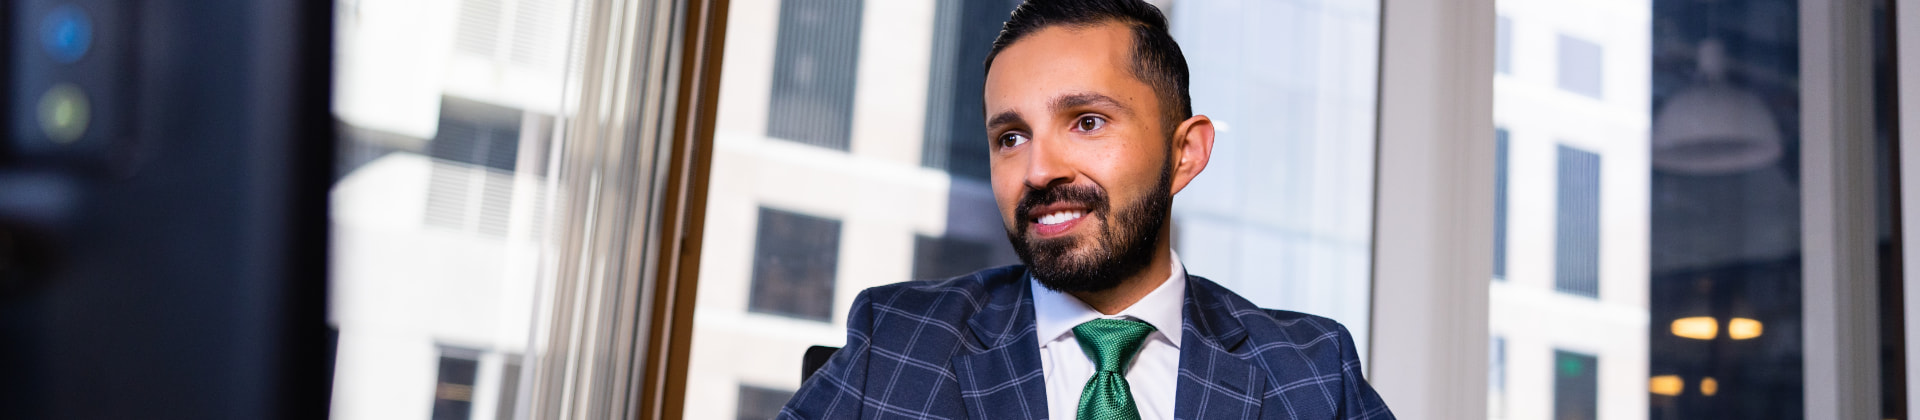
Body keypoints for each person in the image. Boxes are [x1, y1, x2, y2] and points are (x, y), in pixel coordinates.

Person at [780, 0, 1394, 418]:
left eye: (1088, 121)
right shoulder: (896, 343)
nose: (1040, 170)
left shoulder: (1311, 372)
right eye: (1010, 137)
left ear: (1185, 153)